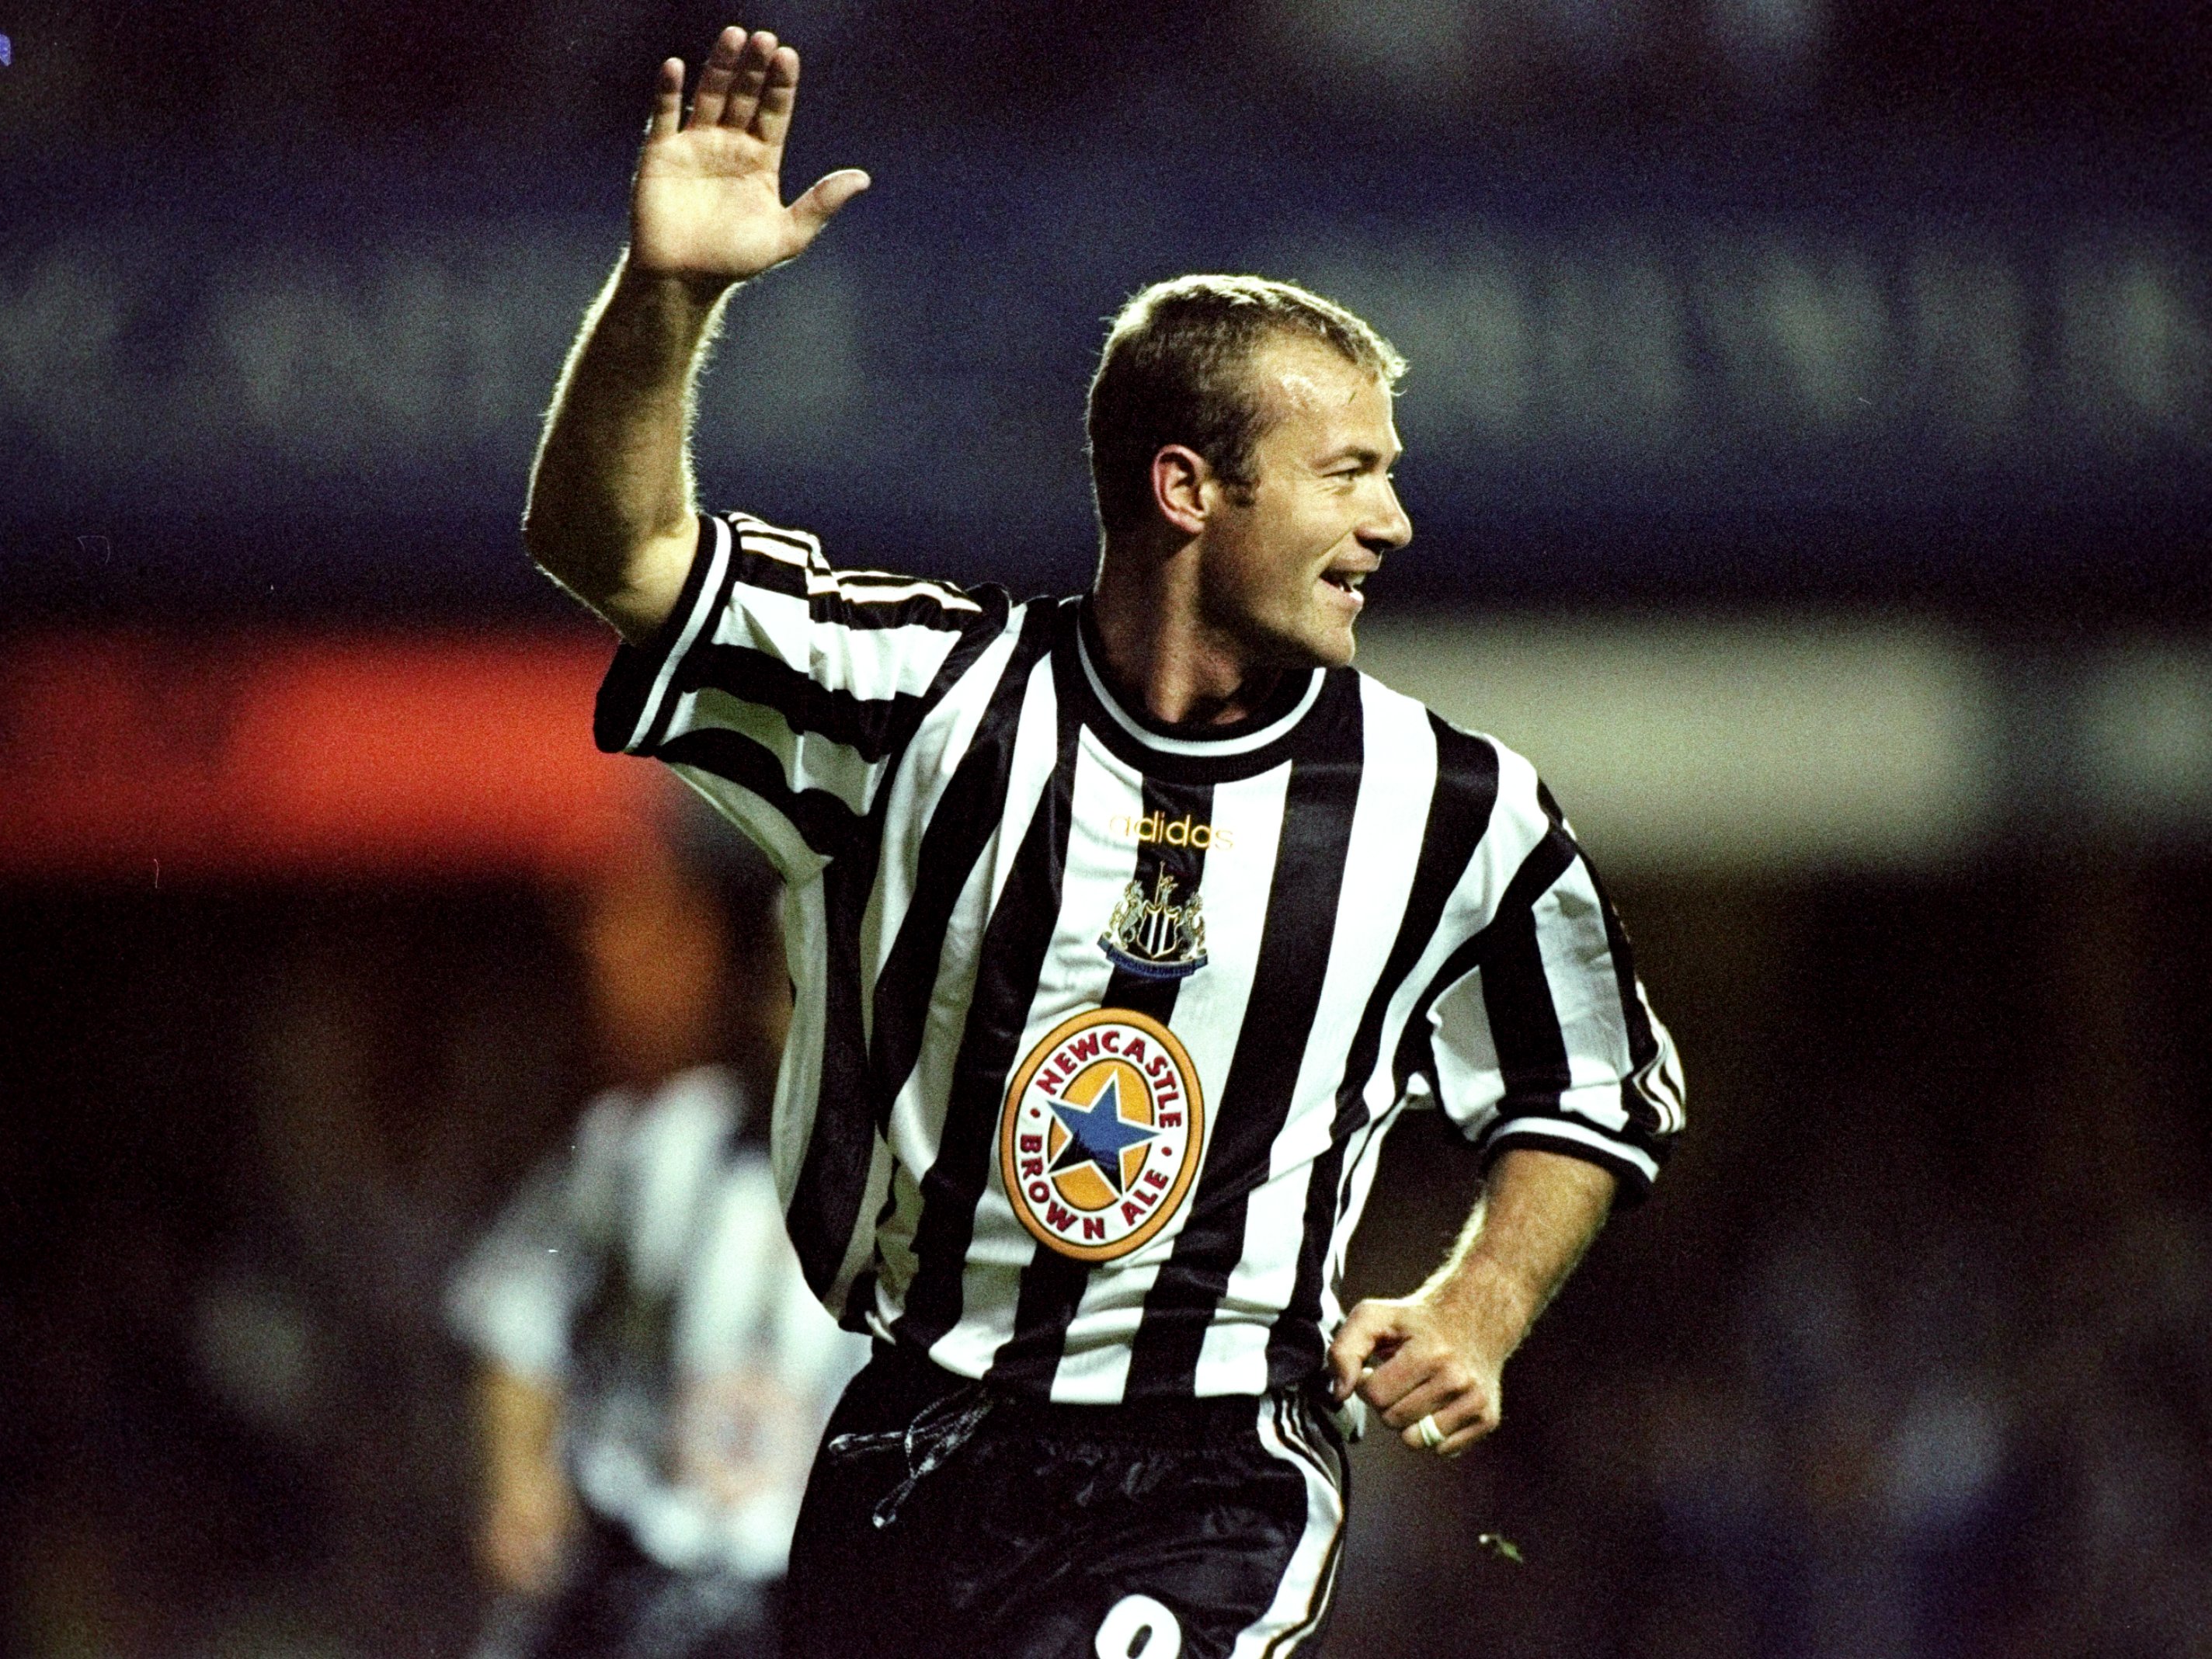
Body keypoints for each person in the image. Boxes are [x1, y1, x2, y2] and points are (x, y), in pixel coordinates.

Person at [520, 24, 1685, 1657]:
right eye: (1348, 475)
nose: (1393, 524)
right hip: (902, 1452)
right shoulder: (919, 698)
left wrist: (1481, 1308)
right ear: (1188, 488)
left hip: (1209, 1471)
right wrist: (671, 295)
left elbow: (1591, 1083)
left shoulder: (1456, 805)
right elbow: (609, 547)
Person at [447, 823, 870, 1659]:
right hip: (626, 1567)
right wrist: (517, 1474)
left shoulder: (938, 1202)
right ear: (766, 1000)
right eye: (801, 992)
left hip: (808, 1602)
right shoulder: (654, 1142)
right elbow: (516, 1308)